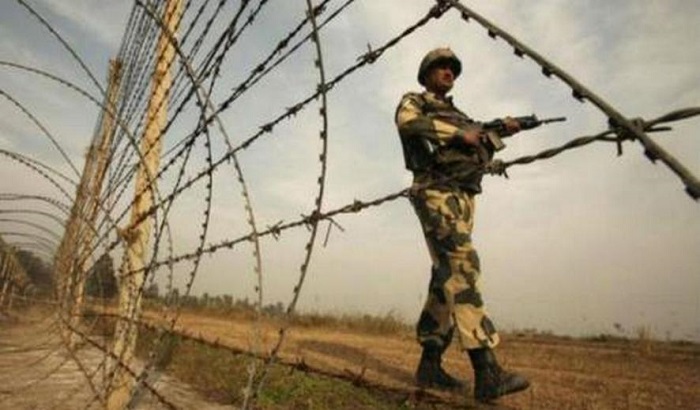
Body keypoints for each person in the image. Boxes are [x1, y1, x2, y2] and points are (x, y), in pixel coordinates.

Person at [394, 47, 530, 403]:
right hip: (435, 190)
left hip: (464, 195)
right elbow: (408, 124)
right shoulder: (415, 101)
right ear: (426, 74)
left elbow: (477, 150)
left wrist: (500, 134)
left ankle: (430, 365)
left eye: (452, 68)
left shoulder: (462, 115)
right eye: (440, 67)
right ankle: (487, 370)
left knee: (446, 276)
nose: (448, 72)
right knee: (464, 266)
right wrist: (460, 134)